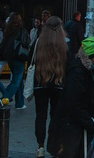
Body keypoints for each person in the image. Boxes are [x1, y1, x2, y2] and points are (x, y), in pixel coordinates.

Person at [46, 37, 94, 158]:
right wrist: (90, 125)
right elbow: (75, 104)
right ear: (91, 56)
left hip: (91, 130)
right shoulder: (78, 72)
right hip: (79, 131)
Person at [32, 16, 68, 158]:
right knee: (56, 115)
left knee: (40, 115)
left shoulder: (38, 43)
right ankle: (56, 144)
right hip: (58, 84)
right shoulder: (64, 45)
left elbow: (31, 61)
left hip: (40, 82)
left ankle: (40, 146)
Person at [3, 13, 31, 111]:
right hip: (19, 57)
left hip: (10, 58)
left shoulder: (8, 31)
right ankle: (4, 98)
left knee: (18, 81)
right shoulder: (22, 30)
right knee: (16, 80)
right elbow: (26, 42)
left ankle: (19, 103)